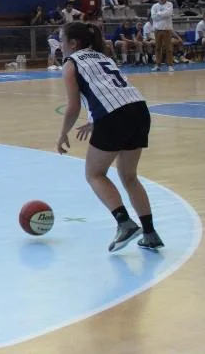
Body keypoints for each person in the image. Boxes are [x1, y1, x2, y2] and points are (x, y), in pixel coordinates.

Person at [56, 22, 163, 252]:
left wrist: (63, 133)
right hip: (139, 110)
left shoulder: (71, 63)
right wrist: (95, 120)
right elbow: (111, 91)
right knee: (129, 177)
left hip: (114, 116)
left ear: (73, 43)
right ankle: (150, 233)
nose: (59, 45)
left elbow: (73, 106)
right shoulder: (102, 56)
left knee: (94, 174)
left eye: (61, 40)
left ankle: (125, 223)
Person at [149, 0, 175, 72]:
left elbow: (168, 14)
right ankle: (158, 65)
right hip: (157, 30)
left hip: (167, 29)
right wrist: (163, 14)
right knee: (157, 48)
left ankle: (170, 65)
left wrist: (158, 14)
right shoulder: (154, 6)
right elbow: (153, 17)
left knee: (168, 48)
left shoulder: (170, 4)